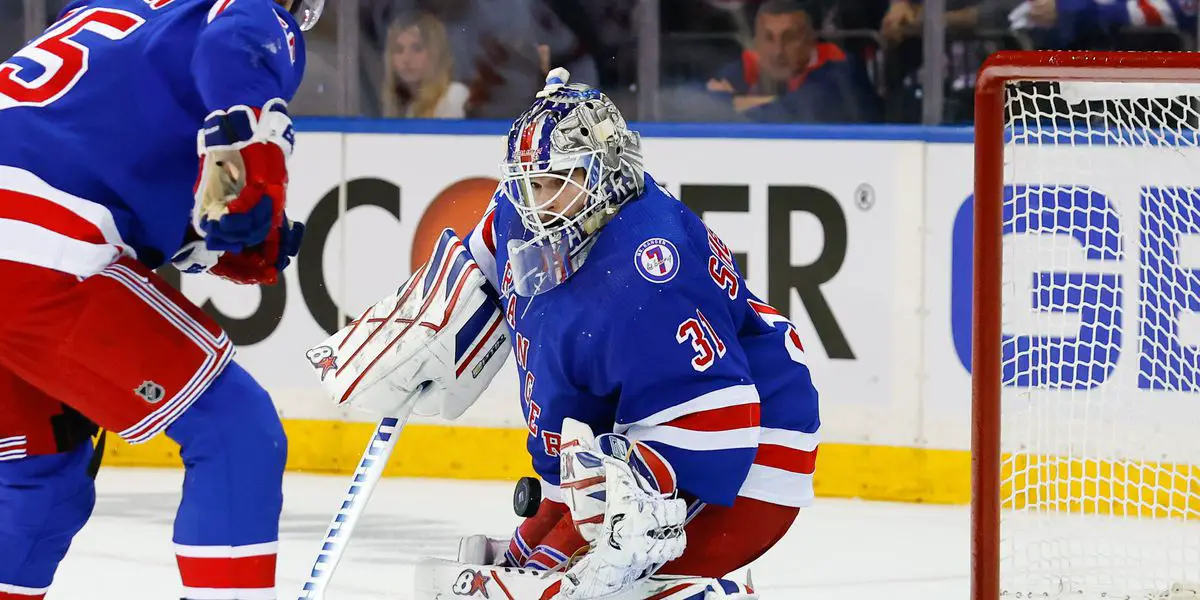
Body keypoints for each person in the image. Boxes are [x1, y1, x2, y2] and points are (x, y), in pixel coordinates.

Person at [0, 0, 315, 597]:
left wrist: (206, 232)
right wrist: (246, 156)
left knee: (38, 477)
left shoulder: (99, 10)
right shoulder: (248, 12)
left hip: (19, 232)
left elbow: (86, 142)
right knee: (234, 431)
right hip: (31, 248)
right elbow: (236, 47)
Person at [707, 0, 880, 123]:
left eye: (789, 38)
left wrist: (735, 102)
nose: (778, 51)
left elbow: (798, 112)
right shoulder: (751, 64)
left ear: (810, 41)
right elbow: (701, 97)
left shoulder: (840, 68)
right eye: (768, 38)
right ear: (757, 43)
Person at [380, 12, 469, 119]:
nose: (406, 59)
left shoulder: (454, 97)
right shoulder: (406, 108)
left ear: (436, 53)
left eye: (417, 49)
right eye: (399, 50)